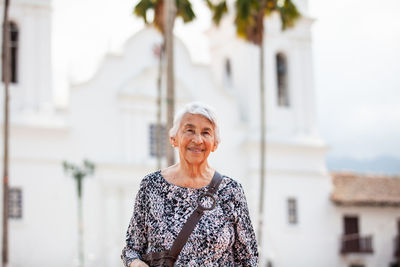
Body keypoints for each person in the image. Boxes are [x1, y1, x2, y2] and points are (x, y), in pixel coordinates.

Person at [121, 102, 258, 266]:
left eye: (206, 132)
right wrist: (136, 264)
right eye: (189, 130)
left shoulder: (231, 191)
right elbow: (131, 249)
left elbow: (248, 258)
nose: (197, 140)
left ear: (215, 143)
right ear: (174, 139)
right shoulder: (151, 186)